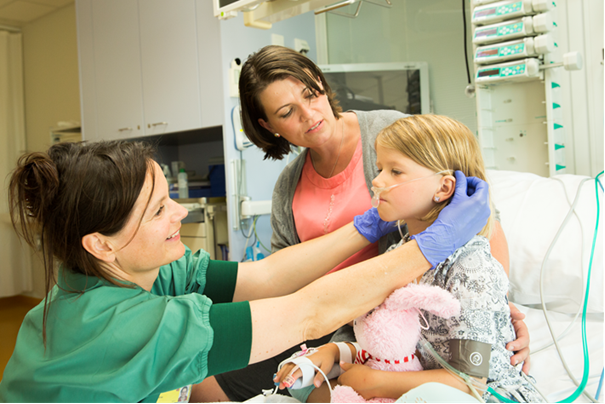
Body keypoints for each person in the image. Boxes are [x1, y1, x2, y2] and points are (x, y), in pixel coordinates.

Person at [0, 140, 489, 403]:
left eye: (171, 197)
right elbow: (307, 313)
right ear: (100, 243)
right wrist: (430, 246)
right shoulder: (118, 326)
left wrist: (364, 229)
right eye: (158, 211)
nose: (181, 213)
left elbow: (266, 277)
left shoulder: (121, 270)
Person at [201, 45, 530, 402]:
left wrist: (496, 311)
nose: (309, 114)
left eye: (311, 94)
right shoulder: (287, 187)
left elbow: (478, 219)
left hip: (381, 328)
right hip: (329, 325)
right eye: (287, 112)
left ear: (321, 83)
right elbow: (281, 281)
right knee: (206, 381)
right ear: (268, 126)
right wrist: (333, 349)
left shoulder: (388, 132)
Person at [275, 115, 542, 403]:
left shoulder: (470, 265)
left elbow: (470, 382)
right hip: (416, 377)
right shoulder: (399, 254)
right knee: (310, 387)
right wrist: (336, 352)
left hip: (483, 394)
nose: (377, 180)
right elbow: (392, 343)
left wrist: (378, 383)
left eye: (395, 171)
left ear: (443, 188)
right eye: (380, 168)